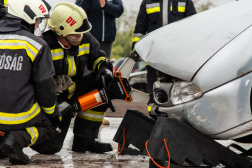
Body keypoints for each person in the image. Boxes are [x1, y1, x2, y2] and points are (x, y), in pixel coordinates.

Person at [30, 2, 113, 154]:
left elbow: (99, 56)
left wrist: (104, 69)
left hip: (75, 91)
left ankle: (85, 141)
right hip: (50, 100)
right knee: (51, 147)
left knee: (104, 86)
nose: (79, 37)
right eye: (74, 34)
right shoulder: (43, 45)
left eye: (81, 33)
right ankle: (27, 138)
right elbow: (37, 85)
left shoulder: (85, 38)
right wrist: (59, 104)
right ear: (59, 32)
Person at [0, 0, 60, 165]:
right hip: (19, 116)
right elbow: (44, 86)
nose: (39, 23)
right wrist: (53, 113)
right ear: (26, 16)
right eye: (38, 20)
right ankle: (17, 139)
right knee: (51, 126)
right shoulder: (36, 44)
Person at [132, 0, 197, 112]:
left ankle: (178, 116)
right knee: (153, 88)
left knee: (179, 88)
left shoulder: (185, 1)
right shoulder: (147, 2)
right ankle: (153, 117)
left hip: (178, 57)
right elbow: (140, 30)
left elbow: (195, 26)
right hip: (154, 57)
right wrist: (136, 51)